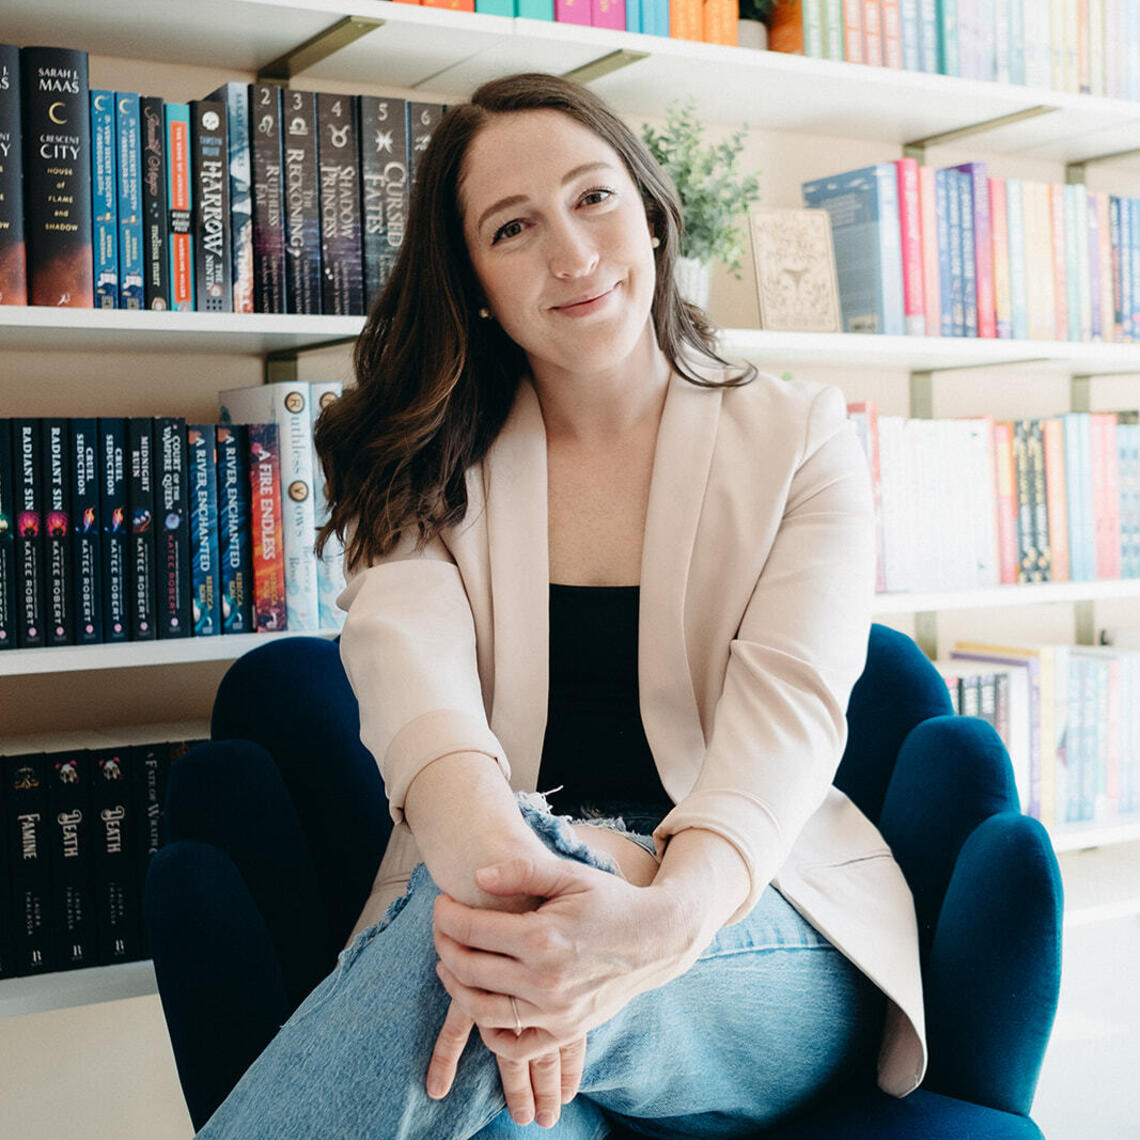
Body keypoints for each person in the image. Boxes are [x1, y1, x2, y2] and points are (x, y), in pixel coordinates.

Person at [149, 71, 927, 1138]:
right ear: (472, 277)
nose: (570, 252)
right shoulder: (421, 461)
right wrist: (531, 890)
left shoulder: (801, 439)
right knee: (504, 1063)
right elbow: (423, 714)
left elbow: (787, 723)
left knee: (475, 966)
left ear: (650, 215)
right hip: (495, 912)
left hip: (752, 927)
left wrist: (658, 915)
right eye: (513, 227)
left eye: (593, 197)